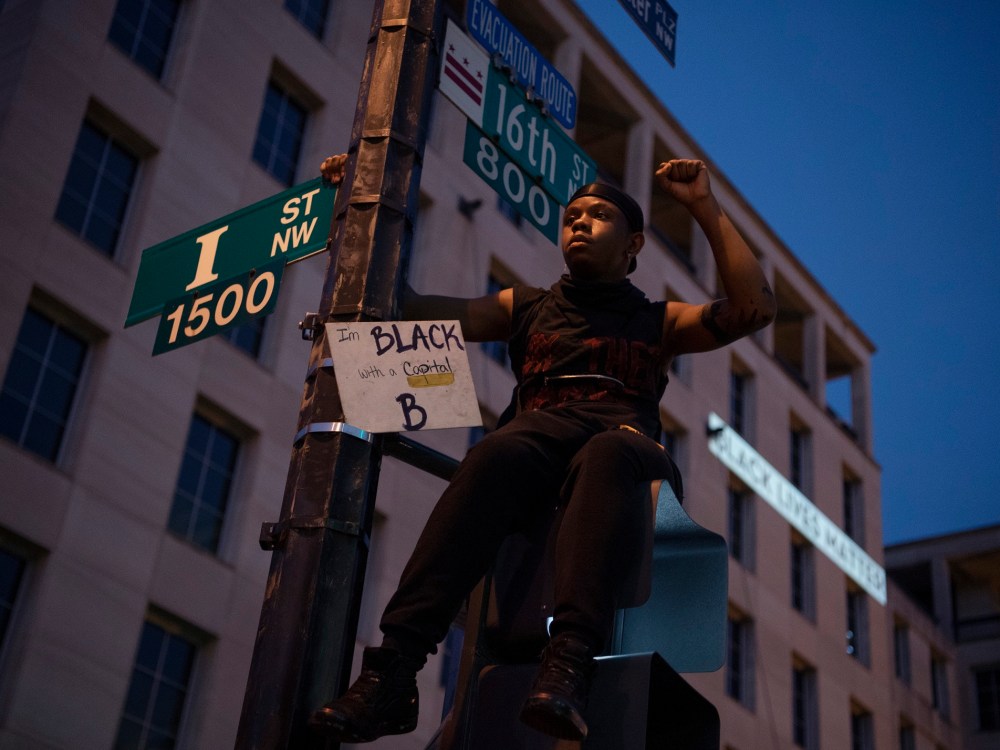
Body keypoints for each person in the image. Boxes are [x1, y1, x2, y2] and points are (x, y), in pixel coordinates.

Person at [309, 153, 775, 743]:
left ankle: (569, 666)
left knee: (605, 452)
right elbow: (405, 306)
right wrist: (348, 207)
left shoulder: (659, 321)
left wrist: (703, 206)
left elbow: (754, 309)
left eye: (598, 215)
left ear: (633, 245)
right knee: (493, 453)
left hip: (625, 451)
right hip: (538, 443)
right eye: (572, 215)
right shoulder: (526, 306)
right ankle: (393, 673)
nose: (578, 222)